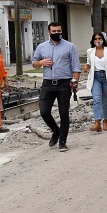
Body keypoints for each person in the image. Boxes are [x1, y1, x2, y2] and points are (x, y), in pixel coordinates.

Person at [32, 21, 81, 153]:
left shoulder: (70, 47)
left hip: (64, 84)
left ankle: (62, 141)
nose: (57, 33)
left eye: (58, 31)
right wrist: (41, 62)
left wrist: (75, 82)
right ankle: (56, 131)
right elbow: (34, 63)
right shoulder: (42, 47)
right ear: (49, 32)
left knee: (63, 113)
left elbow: (76, 67)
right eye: (54, 31)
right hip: (48, 84)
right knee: (44, 112)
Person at [82, 32, 107, 133]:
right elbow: (89, 62)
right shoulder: (90, 51)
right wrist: (87, 66)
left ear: (103, 39)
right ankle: (97, 122)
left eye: (99, 38)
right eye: (95, 39)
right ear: (93, 41)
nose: (97, 41)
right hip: (96, 77)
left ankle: (105, 121)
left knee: (106, 101)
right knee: (97, 99)